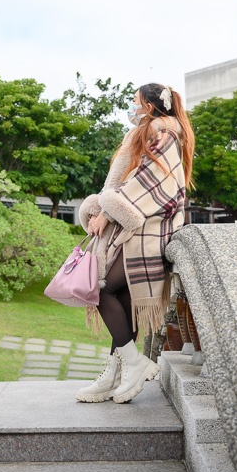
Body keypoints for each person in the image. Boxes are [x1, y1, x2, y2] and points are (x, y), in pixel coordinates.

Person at [75, 83, 194, 403]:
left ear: (152, 106)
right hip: (133, 231)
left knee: (98, 288)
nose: (131, 106)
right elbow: (133, 178)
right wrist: (105, 208)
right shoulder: (147, 132)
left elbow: (150, 183)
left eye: (135, 101)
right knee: (123, 299)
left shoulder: (164, 131)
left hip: (148, 230)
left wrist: (107, 212)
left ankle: (133, 362)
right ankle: (115, 373)